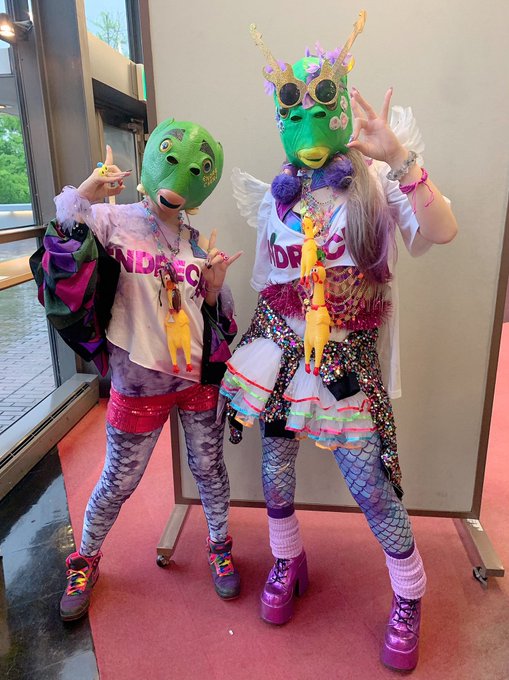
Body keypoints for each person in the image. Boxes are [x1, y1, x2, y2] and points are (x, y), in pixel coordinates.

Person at [221, 12, 457, 671]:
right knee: (274, 473)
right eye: (291, 111)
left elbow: (442, 231)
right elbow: (269, 280)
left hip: (347, 362)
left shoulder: (375, 187)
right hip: (280, 354)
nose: (306, 124)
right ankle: (287, 561)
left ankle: (408, 595)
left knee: (371, 486)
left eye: (318, 107)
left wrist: (399, 159)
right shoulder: (278, 197)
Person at [46, 118, 242, 621]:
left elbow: (211, 315)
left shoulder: (194, 241)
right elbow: (63, 251)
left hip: (195, 380)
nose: (179, 177)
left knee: (210, 470)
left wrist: (213, 287)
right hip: (137, 382)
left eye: (195, 170)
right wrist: (86, 192)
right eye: (171, 160)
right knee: (119, 480)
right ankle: (84, 560)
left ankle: (220, 547)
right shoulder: (112, 220)